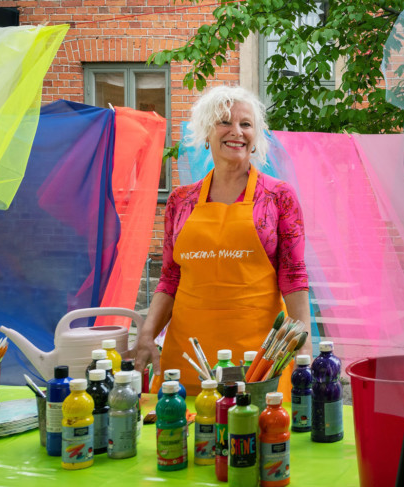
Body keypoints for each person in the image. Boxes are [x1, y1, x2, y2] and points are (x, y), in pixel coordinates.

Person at [130, 85, 311, 396]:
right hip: (186, 358)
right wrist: (147, 334)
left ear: (255, 138)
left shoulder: (278, 197)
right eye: (224, 121)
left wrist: (303, 342)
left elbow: (293, 276)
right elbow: (170, 278)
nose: (236, 131)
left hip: (258, 362)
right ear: (206, 134)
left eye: (246, 124)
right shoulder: (180, 201)